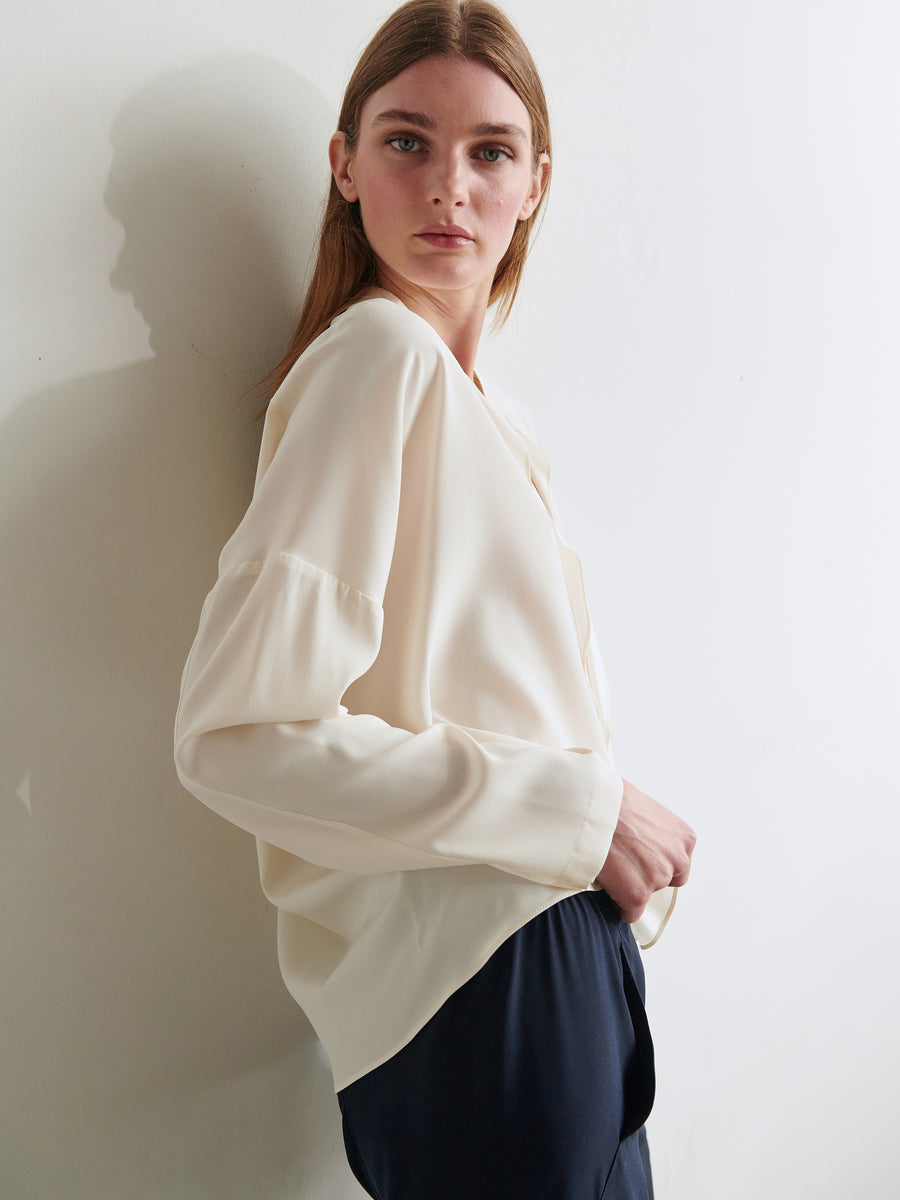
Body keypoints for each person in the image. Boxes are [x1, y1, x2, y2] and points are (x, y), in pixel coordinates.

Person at [174, 1, 696, 1196]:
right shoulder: (378, 360)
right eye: (407, 142)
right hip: (489, 980)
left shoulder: (496, 420)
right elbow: (236, 738)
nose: (450, 186)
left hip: (553, 959)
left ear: (536, 183)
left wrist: (592, 833)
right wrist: (582, 803)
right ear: (345, 166)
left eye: (490, 151)